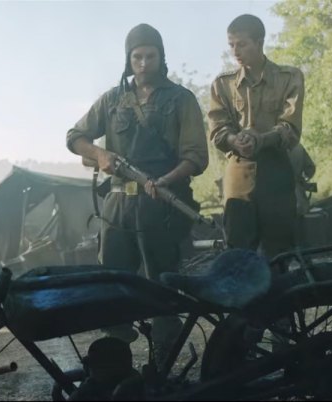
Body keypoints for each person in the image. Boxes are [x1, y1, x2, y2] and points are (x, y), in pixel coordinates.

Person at [66, 23, 209, 357]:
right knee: (112, 284)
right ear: (128, 60)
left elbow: (196, 156)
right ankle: (116, 365)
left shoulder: (181, 99)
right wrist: (100, 154)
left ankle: (163, 363)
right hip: (117, 205)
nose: (144, 63)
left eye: (150, 56)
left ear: (161, 57)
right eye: (137, 57)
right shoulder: (113, 99)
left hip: (162, 204)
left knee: (163, 286)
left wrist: (167, 180)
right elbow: (74, 136)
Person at [207, 14, 306, 259]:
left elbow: (291, 128)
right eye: (231, 45)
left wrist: (261, 140)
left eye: (242, 44)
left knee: (278, 252)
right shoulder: (222, 84)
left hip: (276, 170)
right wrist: (234, 140)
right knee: (238, 252)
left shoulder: (289, 77)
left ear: (259, 42)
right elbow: (217, 130)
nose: (235, 51)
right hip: (238, 173)